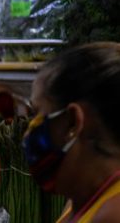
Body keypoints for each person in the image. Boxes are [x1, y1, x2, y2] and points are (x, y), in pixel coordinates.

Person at [25, 42, 120, 223]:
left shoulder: (112, 215)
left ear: (73, 122)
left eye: (37, 113)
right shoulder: (82, 200)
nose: (28, 132)